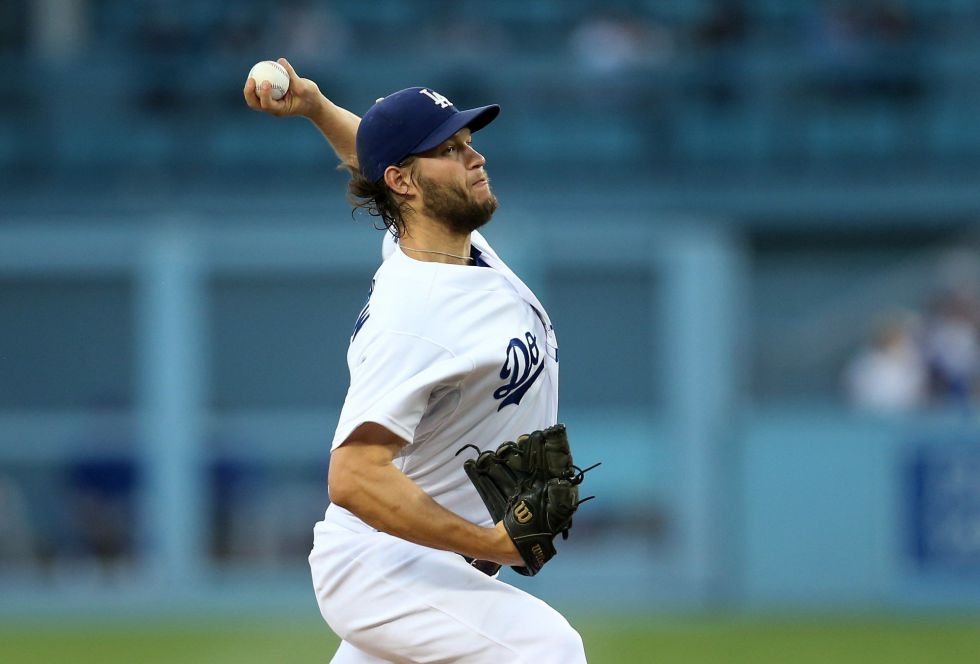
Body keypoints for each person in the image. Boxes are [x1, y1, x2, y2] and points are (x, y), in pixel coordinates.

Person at [245, 59, 586, 663]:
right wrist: (489, 540)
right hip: (383, 567)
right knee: (547, 650)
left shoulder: (455, 245)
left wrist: (317, 108)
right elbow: (352, 476)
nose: (474, 157)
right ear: (406, 183)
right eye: (451, 150)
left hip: (424, 566)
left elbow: (376, 160)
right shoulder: (415, 316)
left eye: (468, 142)